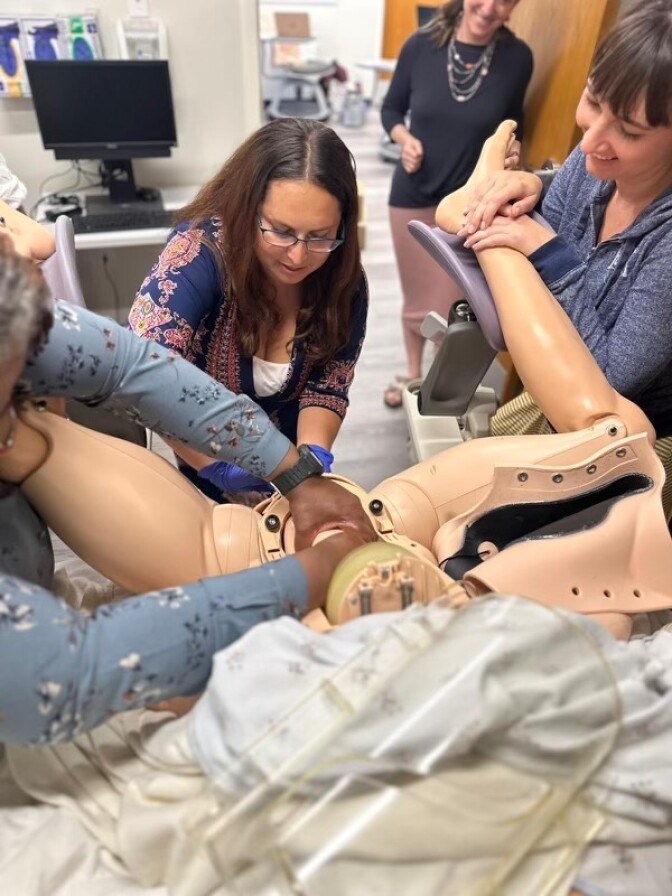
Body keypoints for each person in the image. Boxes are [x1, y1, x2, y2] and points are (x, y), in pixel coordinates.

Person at [0, 229, 381, 744]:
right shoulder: (201, 258)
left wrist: (291, 470)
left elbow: (131, 368)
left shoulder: (23, 332)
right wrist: (310, 576)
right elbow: (61, 677)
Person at [458, 0, 672, 468]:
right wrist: (533, 184)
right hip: (548, 400)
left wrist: (546, 251)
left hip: (633, 445)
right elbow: (479, 220)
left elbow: (610, 383)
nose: (592, 140)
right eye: (593, 101)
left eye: (629, 132)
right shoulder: (590, 163)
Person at [129, 117, 368, 501]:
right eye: (281, 230)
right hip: (202, 465)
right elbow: (139, 374)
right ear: (247, 207)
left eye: (320, 237)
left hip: (289, 471)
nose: (298, 255)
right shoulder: (196, 256)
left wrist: (311, 458)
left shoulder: (344, 280)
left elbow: (327, 385)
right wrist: (209, 464)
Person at [380, 0, 532, 407]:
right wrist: (403, 139)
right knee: (415, 300)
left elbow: (514, 123)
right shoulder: (420, 45)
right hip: (412, 192)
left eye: (505, 2)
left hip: (468, 204)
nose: (490, 8)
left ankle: (435, 380)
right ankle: (411, 373)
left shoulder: (517, 58)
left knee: (448, 306)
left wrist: (510, 153)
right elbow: (391, 109)